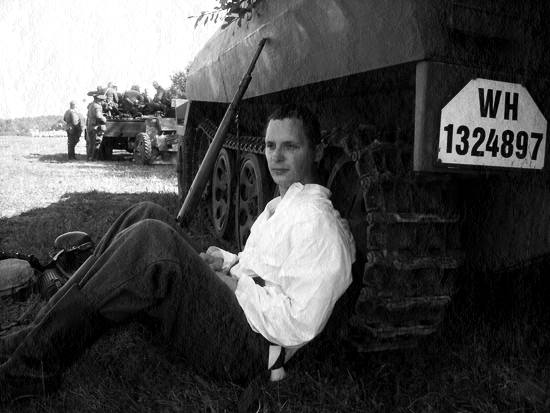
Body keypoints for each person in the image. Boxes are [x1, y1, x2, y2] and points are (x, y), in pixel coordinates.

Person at [0, 104, 355, 402]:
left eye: (290, 146)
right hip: (241, 314)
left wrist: (234, 285)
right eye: (270, 145)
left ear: (316, 152)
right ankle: (36, 331)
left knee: (153, 242)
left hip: (251, 349)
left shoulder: (319, 224)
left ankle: (29, 368)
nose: (276, 157)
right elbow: (264, 267)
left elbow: (299, 324)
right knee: (145, 213)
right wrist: (228, 263)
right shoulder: (286, 203)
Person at [85, 94, 107, 161]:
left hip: (90, 126)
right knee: (96, 143)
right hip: (96, 127)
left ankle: (89, 157)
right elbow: (98, 116)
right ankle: (93, 158)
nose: (102, 102)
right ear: (98, 100)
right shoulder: (97, 106)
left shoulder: (91, 105)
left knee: (91, 143)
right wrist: (104, 119)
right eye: (102, 100)